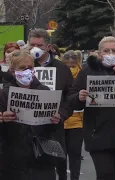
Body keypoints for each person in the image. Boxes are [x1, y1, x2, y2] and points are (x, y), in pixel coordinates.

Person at [68, 36, 115, 180]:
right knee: (105, 174)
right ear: (99, 53)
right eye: (106, 51)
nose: (110, 54)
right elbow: (72, 99)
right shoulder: (88, 71)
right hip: (98, 135)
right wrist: (79, 97)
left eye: (114, 51)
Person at [0, 49, 61, 180]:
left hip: (42, 157)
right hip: (13, 162)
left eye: (30, 68)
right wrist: (2, 119)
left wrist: (56, 120)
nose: (27, 71)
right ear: (12, 71)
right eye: (22, 68)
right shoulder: (4, 94)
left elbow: (53, 129)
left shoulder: (45, 90)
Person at [28, 28, 74, 180]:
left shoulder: (62, 69)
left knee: (57, 166)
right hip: (27, 128)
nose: (35, 49)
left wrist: (61, 114)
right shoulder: (25, 66)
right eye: (32, 45)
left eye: (39, 45)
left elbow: (70, 97)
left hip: (53, 128)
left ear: (48, 47)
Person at [61, 50, 83, 180]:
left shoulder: (82, 75)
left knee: (65, 155)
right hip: (71, 120)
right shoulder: (83, 74)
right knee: (73, 156)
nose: (70, 68)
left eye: (72, 66)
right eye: (68, 66)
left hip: (73, 121)